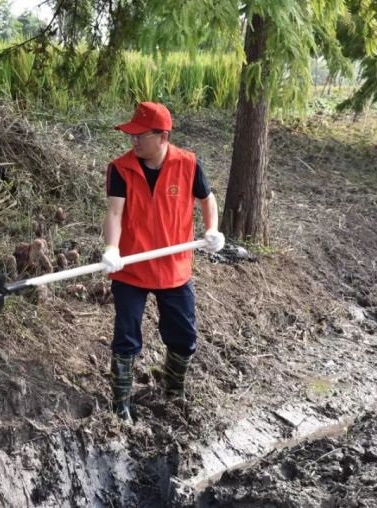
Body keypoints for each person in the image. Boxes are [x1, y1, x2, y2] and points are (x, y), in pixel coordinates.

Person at [101, 101, 224, 424]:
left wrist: (212, 229)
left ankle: (174, 391)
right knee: (126, 337)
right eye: (132, 134)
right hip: (132, 267)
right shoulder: (121, 168)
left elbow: (207, 199)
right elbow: (115, 212)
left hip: (174, 268)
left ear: (162, 136)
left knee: (183, 335)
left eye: (140, 135)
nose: (134, 141)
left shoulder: (188, 164)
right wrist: (112, 248)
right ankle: (120, 403)